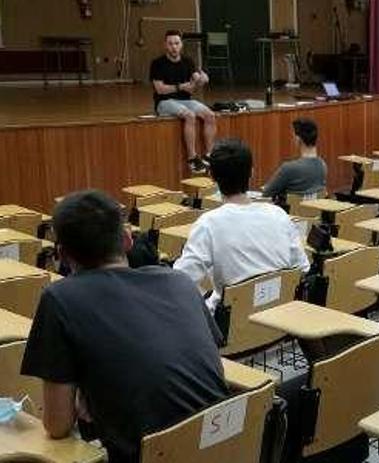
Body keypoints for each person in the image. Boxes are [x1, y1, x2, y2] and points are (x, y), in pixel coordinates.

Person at [21, 190, 228, 463]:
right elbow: (207, 368)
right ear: (128, 239)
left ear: (61, 254)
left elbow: (58, 426)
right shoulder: (178, 281)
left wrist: (87, 396)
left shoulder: (59, 298)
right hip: (227, 440)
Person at [174, 138, 310, 312]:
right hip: (280, 318)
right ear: (251, 173)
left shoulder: (208, 224)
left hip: (229, 329)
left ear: (212, 176)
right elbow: (303, 268)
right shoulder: (279, 214)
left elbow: (181, 279)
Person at [150, 29, 216, 174]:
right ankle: (192, 158)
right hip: (164, 102)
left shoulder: (188, 61)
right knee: (189, 115)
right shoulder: (157, 63)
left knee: (210, 115)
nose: (174, 47)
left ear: (181, 45)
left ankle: (209, 156)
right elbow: (159, 89)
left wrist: (202, 80)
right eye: (170, 43)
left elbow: (194, 82)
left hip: (185, 100)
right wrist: (180, 86)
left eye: (177, 43)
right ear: (165, 45)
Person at [262, 118, 327, 201]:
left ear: (298, 139)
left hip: (289, 213)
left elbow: (266, 193)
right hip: (316, 212)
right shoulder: (323, 165)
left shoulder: (289, 168)